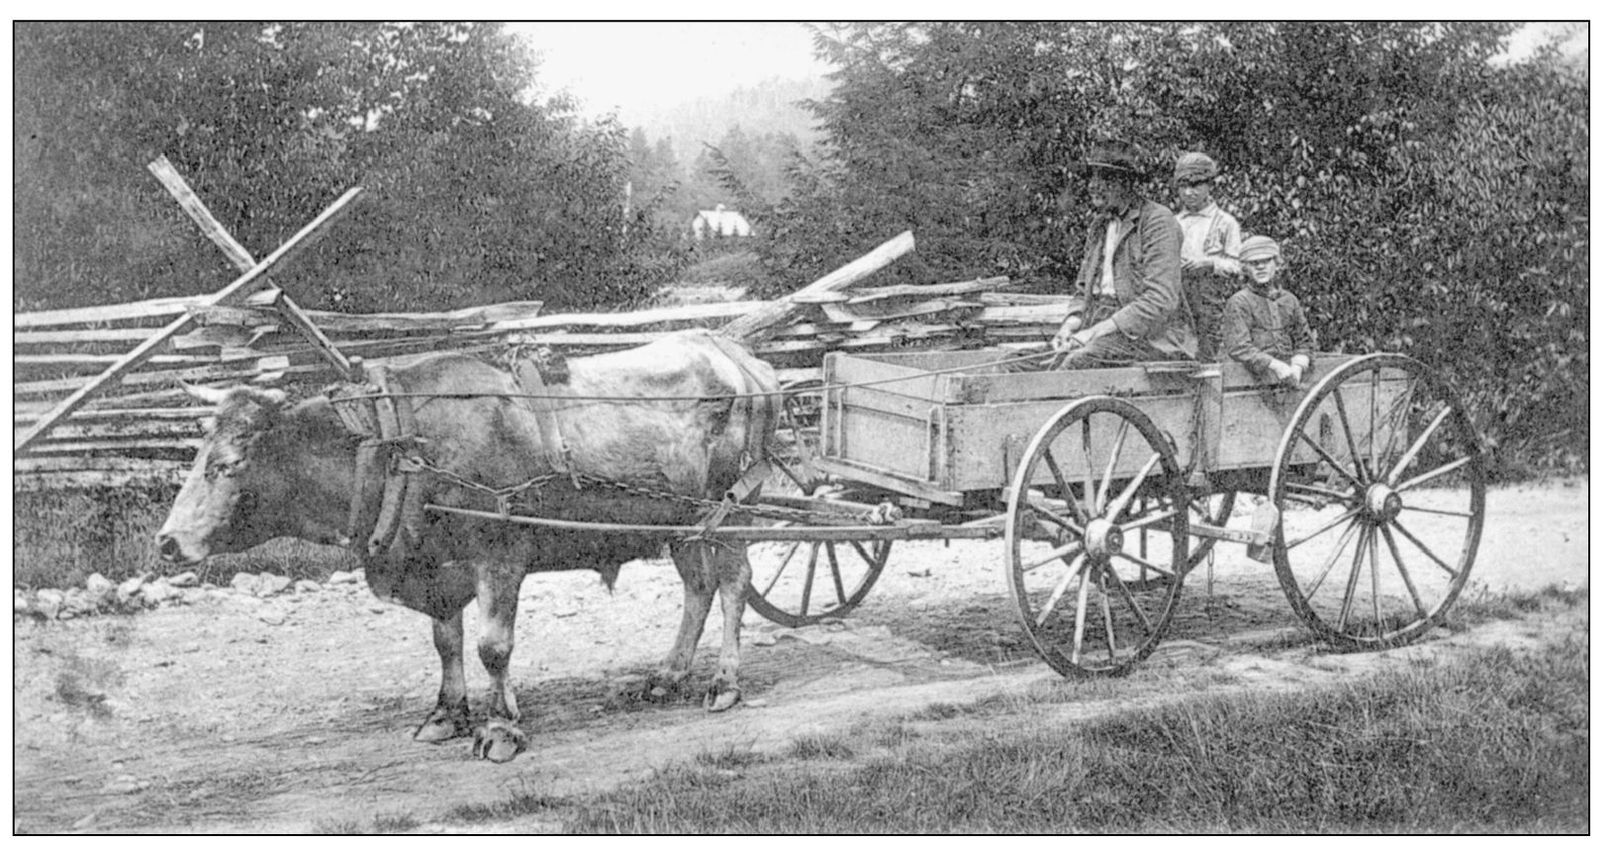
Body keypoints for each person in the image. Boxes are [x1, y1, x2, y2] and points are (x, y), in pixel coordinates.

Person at [1044, 139, 1198, 369]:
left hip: (1153, 339)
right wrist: (1069, 325)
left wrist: (1094, 332)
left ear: (1127, 182)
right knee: (1015, 364)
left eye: (1105, 178)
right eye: (1092, 177)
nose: (1094, 186)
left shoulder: (1157, 221)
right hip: (1100, 331)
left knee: (1077, 363)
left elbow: (1160, 300)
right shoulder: (1099, 226)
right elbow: (1082, 290)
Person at [1174, 152, 1244, 361]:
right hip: (1177, 302)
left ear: (1210, 186)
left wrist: (1210, 264)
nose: (1189, 192)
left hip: (1211, 306)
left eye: (1196, 185)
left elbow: (1238, 265)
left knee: (1208, 358)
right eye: (1183, 186)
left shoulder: (1225, 223)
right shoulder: (1172, 222)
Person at [1222, 235, 1316, 387]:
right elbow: (1239, 347)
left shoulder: (1289, 300)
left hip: (1291, 377)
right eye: (1254, 263)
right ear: (1245, 269)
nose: (1260, 267)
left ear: (1277, 264)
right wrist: (1275, 365)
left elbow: (1304, 340)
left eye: (1266, 261)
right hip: (1251, 384)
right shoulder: (1239, 302)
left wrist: (1298, 365)